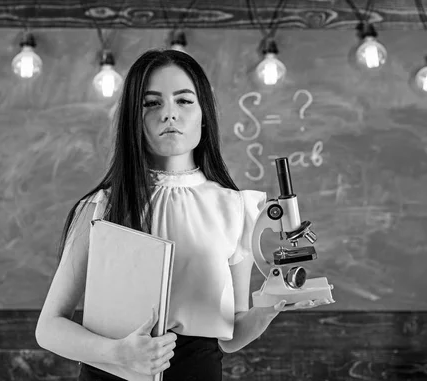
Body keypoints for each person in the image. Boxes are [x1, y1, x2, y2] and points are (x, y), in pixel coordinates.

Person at [35, 49, 332, 381]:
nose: (169, 114)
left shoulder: (235, 208)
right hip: (109, 373)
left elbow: (231, 337)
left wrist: (271, 307)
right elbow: (49, 328)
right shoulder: (103, 206)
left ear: (204, 115)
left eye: (184, 101)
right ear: (133, 118)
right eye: (152, 103)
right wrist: (119, 354)